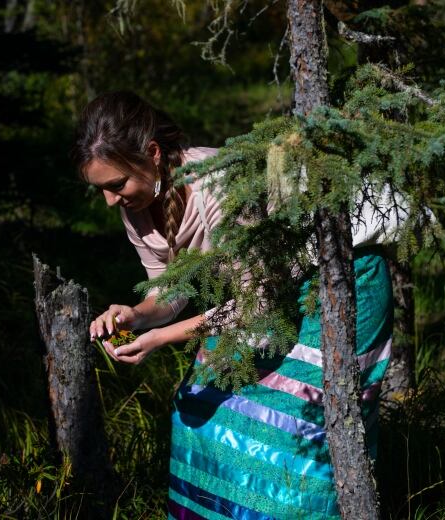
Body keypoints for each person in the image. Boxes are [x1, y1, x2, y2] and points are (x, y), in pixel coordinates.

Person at [72, 91, 394, 519]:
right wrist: (136, 315)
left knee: (294, 430)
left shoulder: (218, 184)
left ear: (151, 154)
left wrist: (161, 338)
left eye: (116, 186)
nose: (111, 200)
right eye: (102, 191)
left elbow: (253, 304)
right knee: (197, 407)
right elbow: (170, 289)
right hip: (267, 293)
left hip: (339, 279)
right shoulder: (139, 203)